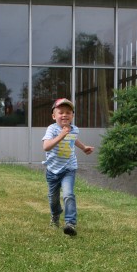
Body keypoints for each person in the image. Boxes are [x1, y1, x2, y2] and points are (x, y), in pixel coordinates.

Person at [42, 97, 94, 236]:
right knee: (53, 199)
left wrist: (83, 147)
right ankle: (55, 215)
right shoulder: (52, 129)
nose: (64, 115)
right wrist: (61, 135)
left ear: (72, 116)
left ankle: (70, 223)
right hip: (53, 170)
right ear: (54, 116)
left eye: (68, 112)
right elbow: (46, 146)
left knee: (68, 194)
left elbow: (73, 139)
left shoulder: (74, 130)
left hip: (68, 169)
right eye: (61, 112)